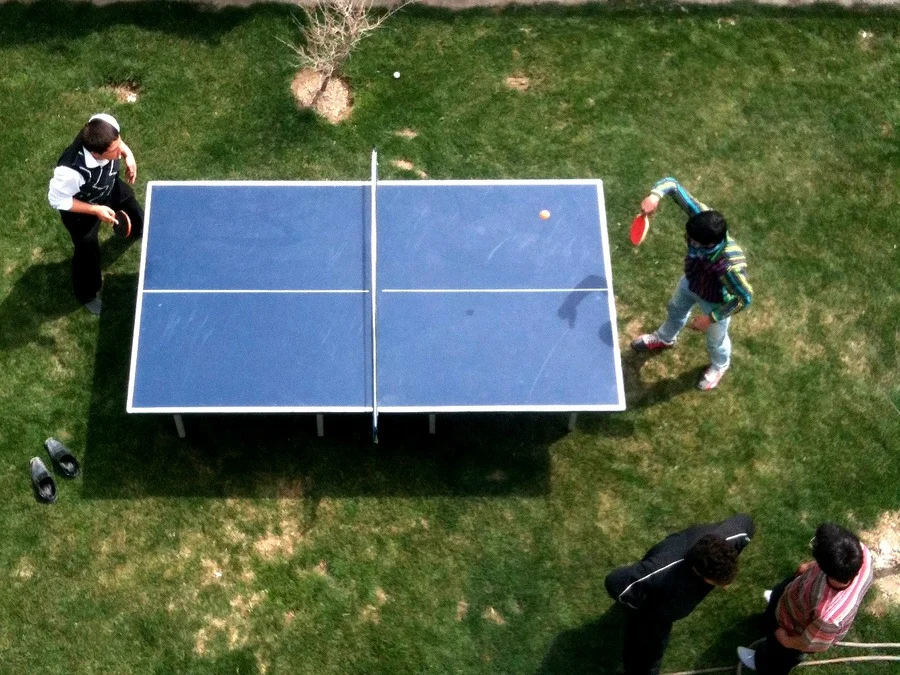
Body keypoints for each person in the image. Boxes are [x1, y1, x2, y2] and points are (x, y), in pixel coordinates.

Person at [630, 177, 753, 390]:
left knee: (715, 341)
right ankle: (665, 338)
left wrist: (711, 318)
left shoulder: (729, 266)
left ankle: (720, 365)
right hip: (690, 281)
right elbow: (672, 185)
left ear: (711, 243)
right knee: (675, 309)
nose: (690, 242)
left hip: (716, 301)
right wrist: (655, 196)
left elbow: (744, 298)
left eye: (695, 241)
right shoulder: (703, 218)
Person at [605, 514, 755, 675]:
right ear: (698, 572)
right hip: (654, 612)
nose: (725, 586)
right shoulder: (660, 573)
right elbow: (614, 582)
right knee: (646, 652)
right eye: (717, 582)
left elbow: (747, 522)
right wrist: (641, 609)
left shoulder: (735, 534)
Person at [737, 522, 873, 674]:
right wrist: (809, 566)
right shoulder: (859, 553)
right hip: (795, 593)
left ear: (825, 568)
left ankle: (761, 664)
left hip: (794, 629)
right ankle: (767, 622)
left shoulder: (829, 617)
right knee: (776, 597)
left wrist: (784, 639)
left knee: (778, 655)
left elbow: (811, 643)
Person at [48, 113, 143, 315]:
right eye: (114, 151)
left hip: (108, 187)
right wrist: (95, 210)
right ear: (96, 154)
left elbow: (117, 141)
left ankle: (139, 229)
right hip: (81, 210)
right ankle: (86, 294)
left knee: (128, 199)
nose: (119, 152)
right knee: (87, 250)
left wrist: (128, 154)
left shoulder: (103, 124)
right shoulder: (69, 172)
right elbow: (57, 200)